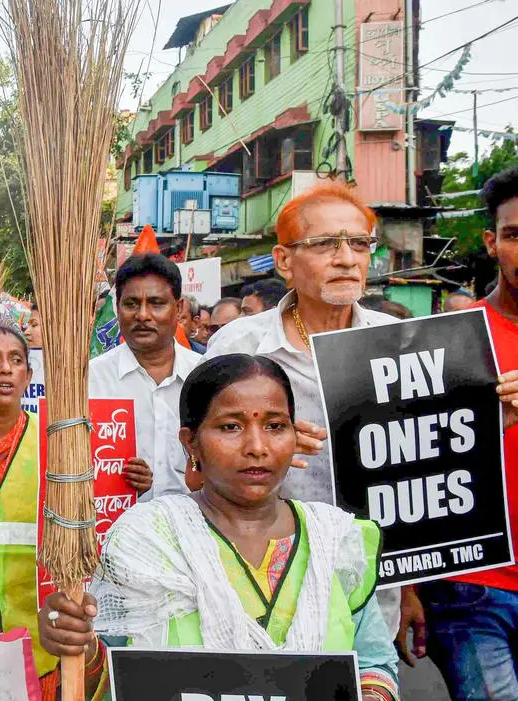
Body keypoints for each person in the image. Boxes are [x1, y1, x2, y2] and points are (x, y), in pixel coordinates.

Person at [39, 354, 400, 701]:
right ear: (190, 442)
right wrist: (76, 643)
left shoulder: (335, 542)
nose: (257, 446)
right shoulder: (148, 542)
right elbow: (111, 677)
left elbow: (373, 665)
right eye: (231, 427)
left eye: (275, 426)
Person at [0, 327, 148, 699]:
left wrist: (127, 482)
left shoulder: (62, 443)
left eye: (16, 360)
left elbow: (99, 525)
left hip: (41, 645)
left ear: (29, 375)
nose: (5, 369)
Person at [401, 166, 518, 698]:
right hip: (472, 585)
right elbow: (406, 466)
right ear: (492, 243)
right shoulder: (447, 340)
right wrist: (406, 588)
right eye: (515, 235)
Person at [205, 183, 395, 504]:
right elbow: (196, 457)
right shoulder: (239, 345)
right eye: (324, 244)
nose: (347, 260)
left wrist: (483, 412)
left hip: (381, 540)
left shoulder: (398, 341)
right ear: (283, 262)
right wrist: (267, 442)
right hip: (273, 541)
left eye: (360, 244)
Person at [89, 254, 202, 499]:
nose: (142, 315)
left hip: (197, 528)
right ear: (117, 308)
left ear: (179, 307)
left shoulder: (206, 377)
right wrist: (119, 481)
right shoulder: (91, 381)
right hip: (117, 530)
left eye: (156, 303)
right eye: (131, 304)